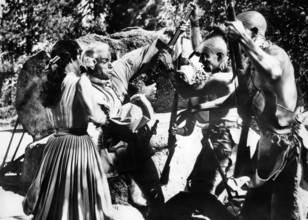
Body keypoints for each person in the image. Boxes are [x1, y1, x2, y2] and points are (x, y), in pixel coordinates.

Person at [225, 11, 308, 220]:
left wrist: (242, 39)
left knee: (286, 214)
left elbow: (273, 72)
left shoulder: (276, 54)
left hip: (288, 156)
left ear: (253, 32)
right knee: (252, 215)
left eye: (242, 33)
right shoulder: (252, 65)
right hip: (265, 154)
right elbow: (237, 101)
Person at [22, 40, 114, 220]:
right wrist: (107, 116)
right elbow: (95, 115)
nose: (82, 61)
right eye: (79, 57)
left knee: (56, 195)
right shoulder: (81, 82)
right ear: (72, 58)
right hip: (78, 145)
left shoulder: (54, 86)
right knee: (80, 197)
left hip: (56, 145)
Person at [81, 42, 164, 220]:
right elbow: (115, 122)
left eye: (110, 60)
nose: (110, 64)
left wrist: (162, 41)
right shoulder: (87, 89)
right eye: (105, 61)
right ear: (92, 64)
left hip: (135, 148)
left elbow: (136, 59)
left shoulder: (113, 73)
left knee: (156, 196)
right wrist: (141, 96)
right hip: (109, 154)